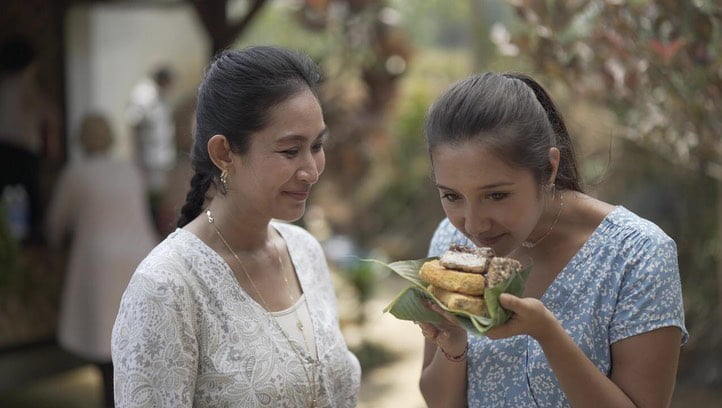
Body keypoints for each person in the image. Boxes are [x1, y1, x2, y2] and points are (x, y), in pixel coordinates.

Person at [417, 72, 687, 407]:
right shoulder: (451, 243)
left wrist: (547, 334)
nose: (473, 224)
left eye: (497, 195)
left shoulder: (636, 255)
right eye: (452, 196)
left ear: (550, 167)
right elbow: (439, 402)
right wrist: (453, 345)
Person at [111, 46, 361, 407]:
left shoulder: (304, 251)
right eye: (290, 151)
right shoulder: (167, 286)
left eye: (317, 145)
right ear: (225, 153)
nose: (311, 170)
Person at [46, 113, 158, 408]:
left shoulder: (76, 173)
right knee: (135, 343)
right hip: (140, 258)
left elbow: (56, 223)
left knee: (108, 349)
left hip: (100, 267)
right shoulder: (130, 169)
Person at [0, 36, 60, 244]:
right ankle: (28, 236)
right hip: (23, 150)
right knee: (28, 195)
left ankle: (10, 234)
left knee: (8, 194)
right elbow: (47, 114)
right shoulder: (24, 83)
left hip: (5, 148)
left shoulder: (5, 84)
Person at [127, 64, 176, 221]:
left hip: (162, 159)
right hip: (148, 160)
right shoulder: (144, 94)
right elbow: (133, 124)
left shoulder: (160, 95)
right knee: (151, 204)